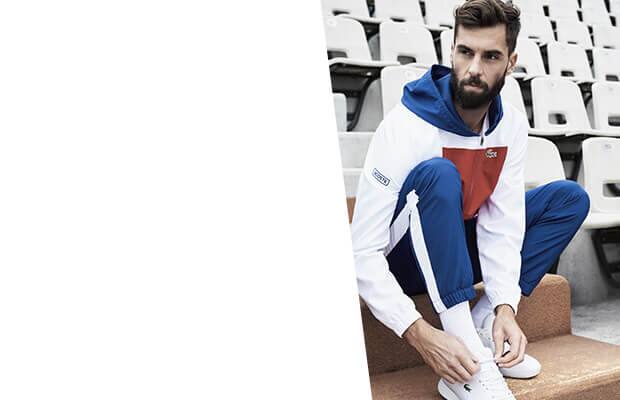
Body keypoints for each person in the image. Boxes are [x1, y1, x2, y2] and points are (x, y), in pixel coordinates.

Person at [350, 0, 590, 399]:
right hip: (406, 260)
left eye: (491, 56)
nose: (474, 68)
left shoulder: (510, 125)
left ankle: (482, 327)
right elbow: (363, 251)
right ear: (452, 52)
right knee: (439, 174)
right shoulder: (407, 124)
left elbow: (502, 223)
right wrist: (418, 331)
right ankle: (466, 364)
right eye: (466, 52)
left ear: (511, 63)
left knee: (567, 198)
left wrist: (503, 306)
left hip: (459, 248)